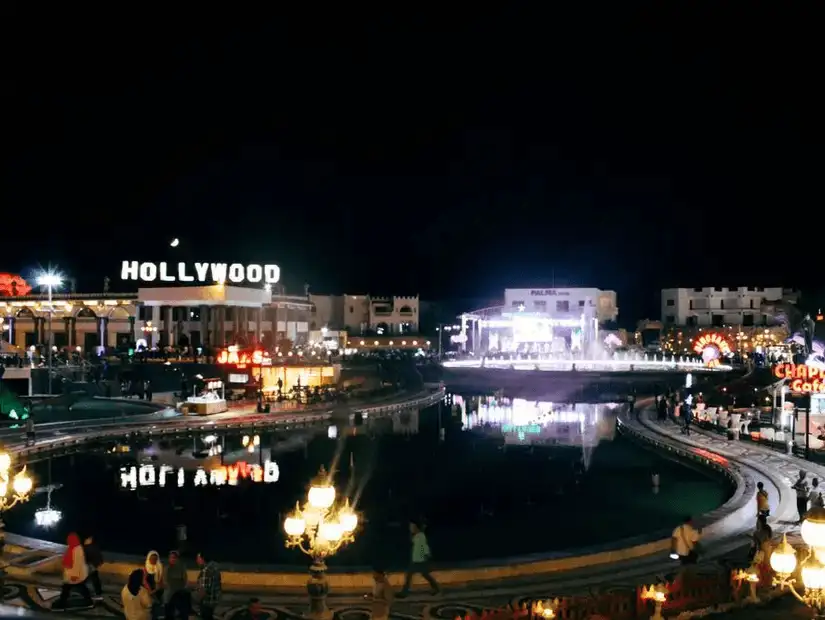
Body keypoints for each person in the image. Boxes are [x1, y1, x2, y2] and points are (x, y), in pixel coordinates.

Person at [397, 521, 440, 598]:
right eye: (410, 527)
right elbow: (412, 541)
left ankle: (404, 593)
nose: (411, 529)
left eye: (412, 527)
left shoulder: (421, 535)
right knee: (417, 575)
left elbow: (424, 546)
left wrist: (427, 557)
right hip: (415, 560)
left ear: (416, 527)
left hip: (420, 560)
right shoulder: (417, 535)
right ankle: (404, 592)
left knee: (416, 575)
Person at [53, 532, 94, 611]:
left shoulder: (77, 550)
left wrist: (75, 575)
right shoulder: (73, 547)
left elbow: (77, 564)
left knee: (66, 589)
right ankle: (89, 601)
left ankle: (61, 604)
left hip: (74, 575)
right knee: (81, 587)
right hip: (73, 574)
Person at [195, 551, 222, 620]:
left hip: (206, 603)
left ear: (202, 559)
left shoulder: (205, 570)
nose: (197, 561)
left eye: (198, 558)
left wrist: (197, 602)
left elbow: (203, 589)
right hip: (213, 602)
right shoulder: (215, 569)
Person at [163, 551, 189, 620]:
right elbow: (165, 581)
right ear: (169, 559)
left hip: (179, 593)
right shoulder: (166, 568)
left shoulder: (182, 568)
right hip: (169, 594)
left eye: (174, 558)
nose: (173, 559)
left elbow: (185, 580)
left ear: (177, 559)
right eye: (171, 558)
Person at [84, 535, 104, 600]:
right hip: (93, 566)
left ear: (90, 540)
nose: (85, 541)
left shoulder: (89, 547)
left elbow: (85, 557)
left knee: (87, 579)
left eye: (87, 539)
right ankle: (98, 593)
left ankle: (97, 594)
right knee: (94, 579)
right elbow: (100, 558)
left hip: (90, 566)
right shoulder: (94, 547)